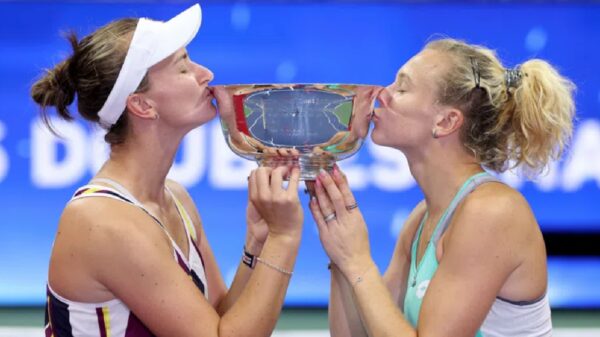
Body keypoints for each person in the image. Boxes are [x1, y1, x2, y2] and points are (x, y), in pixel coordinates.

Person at [31, 4, 303, 337]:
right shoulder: (103, 220)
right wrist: (284, 238)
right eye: (183, 67)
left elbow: (220, 319)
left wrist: (257, 244)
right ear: (142, 105)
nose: (206, 74)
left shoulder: (176, 197)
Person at [308, 38, 575, 337]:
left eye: (402, 87)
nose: (382, 94)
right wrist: (341, 254)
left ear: (446, 121)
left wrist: (358, 260)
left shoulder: (493, 213)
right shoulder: (422, 218)